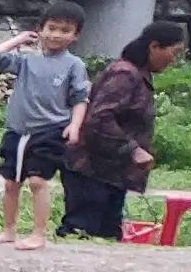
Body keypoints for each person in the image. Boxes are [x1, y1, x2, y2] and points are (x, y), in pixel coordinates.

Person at [63, 20, 183, 243]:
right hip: (91, 171)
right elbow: (100, 119)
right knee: (80, 233)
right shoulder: (125, 74)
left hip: (111, 173)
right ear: (154, 46)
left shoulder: (138, 75)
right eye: (173, 53)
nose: (174, 60)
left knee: (107, 237)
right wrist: (133, 150)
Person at [0, 3, 89, 248]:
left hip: (50, 130)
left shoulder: (74, 65)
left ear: (75, 36)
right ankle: (9, 230)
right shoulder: (26, 61)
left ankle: (38, 234)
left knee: (37, 182)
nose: (56, 35)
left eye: (65, 30)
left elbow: (80, 99)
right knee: (11, 183)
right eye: (51, 28)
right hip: (17, 130)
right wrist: (18, 40)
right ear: (39, 30)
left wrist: (75, 126)